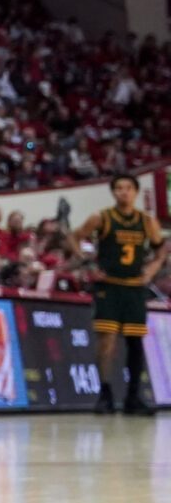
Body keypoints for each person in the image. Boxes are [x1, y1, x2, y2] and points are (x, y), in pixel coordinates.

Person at [76, 175, 164, 414]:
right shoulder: (101, 217)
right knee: (107, 341)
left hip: (135, 287)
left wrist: (153, 269)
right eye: (118, 188)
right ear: (113, 193)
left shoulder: (146, 221)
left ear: (135, 192)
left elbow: (161, 248)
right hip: (109, 287)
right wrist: (89, 265)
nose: (123, 192)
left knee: (135, 343)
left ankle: (133, 397)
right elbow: (74, 238)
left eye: (128, 188)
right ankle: (105, 394)